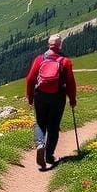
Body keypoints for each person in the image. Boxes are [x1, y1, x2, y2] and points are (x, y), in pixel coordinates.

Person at [26, 34, 77, 170]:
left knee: (40, 122)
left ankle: (40, 145)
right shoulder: (65, 61)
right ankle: (49, 156)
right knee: (53, 126)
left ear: (49, 45)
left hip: (40, 95)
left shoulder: (40, 59)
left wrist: (30, 97)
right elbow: (70, 83)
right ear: (60, 45)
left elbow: (30, 79)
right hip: (58, 96)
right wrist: (72, 99)